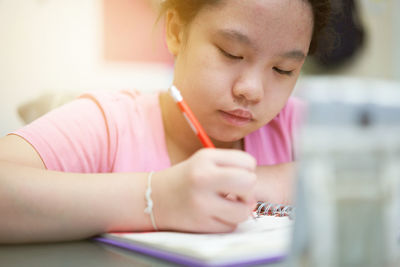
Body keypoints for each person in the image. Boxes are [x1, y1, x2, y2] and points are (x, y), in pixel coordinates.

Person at [0, 0, 330, 243]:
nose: (251, 90)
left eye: (283, 70)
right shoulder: (110, 124)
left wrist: (266, 181)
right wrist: (156, 199)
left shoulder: (301, 126)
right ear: (175, 32)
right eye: (231, 53)